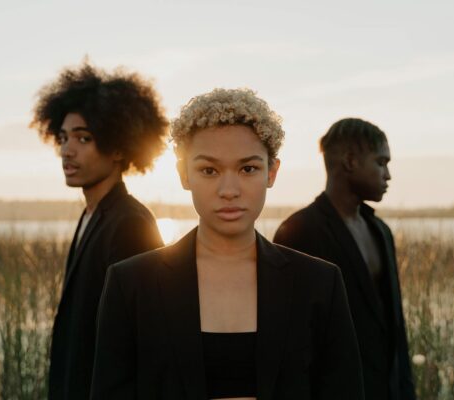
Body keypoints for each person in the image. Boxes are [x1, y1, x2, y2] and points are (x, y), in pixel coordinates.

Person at [90, 89, 364, 399]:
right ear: (183, 174)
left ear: (272, 172)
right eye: (209, 170)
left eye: (248, 169)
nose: (229, 190)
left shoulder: (319, 284)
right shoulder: (130, 284)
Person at [30, 62, 167, 400]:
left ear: (119, 147)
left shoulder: (131, 224)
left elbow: (143, 343)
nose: (67, 150)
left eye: (83, 138)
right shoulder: (91, 215)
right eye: (63, 138)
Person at [273, 118, 416, 400]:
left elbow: (394, 328)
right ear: (350, 161)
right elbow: (287, 342)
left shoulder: (381, 231)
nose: (388, 175)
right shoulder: (300, 231)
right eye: (381, 162)